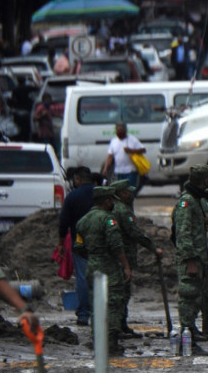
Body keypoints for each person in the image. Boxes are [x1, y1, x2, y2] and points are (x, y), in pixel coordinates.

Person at [75, 186, 131, 355]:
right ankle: (111, 342)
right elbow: (117, 246)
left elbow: (78, 246)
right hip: (109, 267)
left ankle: (97, 340)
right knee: (113, 303)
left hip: (92, 266)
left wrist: (93, 256)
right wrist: (126, 266)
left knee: (95, 304)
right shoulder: (109, 220)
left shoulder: (83, 221)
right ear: (107, 201)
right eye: (112, 200)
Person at [110, 180, 163, 338]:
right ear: (122, 193)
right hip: (122, 257)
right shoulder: (123, 211)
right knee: (122, 293)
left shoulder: (117, 207)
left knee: (123, 292)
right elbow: (135, 233)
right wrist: (153, 248)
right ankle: (117, 327)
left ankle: (121, 325)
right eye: (129, 191)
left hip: (119, 257)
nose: (132, 194)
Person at [172, 164, 208, 355]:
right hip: (191, 259)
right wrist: (189, 260)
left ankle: (190, 334)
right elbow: (183, 234)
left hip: (199, 258)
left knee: (199, 297)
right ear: (204, 180)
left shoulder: (197, 200)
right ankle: (185, 340)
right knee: (189, 298)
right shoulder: (187, 202)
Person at [57, 167, 95, 326]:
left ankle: (84, 314)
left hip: (79, 243)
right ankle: (103, 313)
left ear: (78, 179)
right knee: (102, 276)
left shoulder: (72, 197)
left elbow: (63, 222)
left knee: (82, 277)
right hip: (101, 243)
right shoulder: (102, 194)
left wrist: (60, 244)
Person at [102, 122, 144, 190]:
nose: (119, 133)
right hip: (119, 172)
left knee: (129, 191)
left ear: (125, 130)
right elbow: (110, 156)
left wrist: (131, 150)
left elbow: (143, 150)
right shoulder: (114, 141)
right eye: (118, 131)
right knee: (120, 191)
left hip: (131, 171)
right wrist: (106, 168)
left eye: (121, 131)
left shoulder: (132, 139)